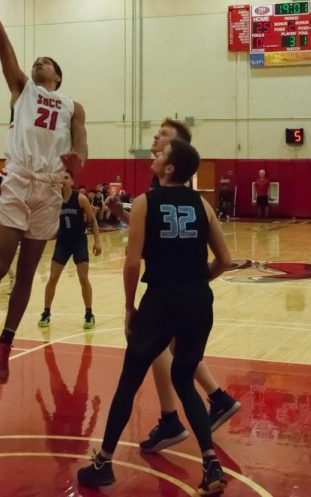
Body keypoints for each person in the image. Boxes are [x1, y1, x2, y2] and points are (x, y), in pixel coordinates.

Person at [77, 139, 231, 494]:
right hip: (198, 302)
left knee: (129, 380)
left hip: (161, 301)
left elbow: (132, 261)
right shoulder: (203, 204)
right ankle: (210, 464)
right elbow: (225, 260)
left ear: (170, 168)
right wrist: (195, 279)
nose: (154, 157)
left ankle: (103, 462)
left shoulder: (147, 202)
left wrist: (129, 306)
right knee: (184, 377)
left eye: (160, 155)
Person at [0, 0, 88, 385]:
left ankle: (6, 344)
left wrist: (75, 160)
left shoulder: (73, 106)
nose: (38, 63)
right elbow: (2, 41)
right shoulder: (22, 88)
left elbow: (82, 148)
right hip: (17, 179)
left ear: (59, 77)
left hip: (49, 191)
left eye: (46, 62)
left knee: (28, 274)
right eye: (36, 61)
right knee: (0, 261)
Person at [107, 119, 240, 453]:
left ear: (175, 155)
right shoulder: (174, 193)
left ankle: (193, 408)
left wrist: (129, 304)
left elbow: (143, 240)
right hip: (193, 294)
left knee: (162, 352)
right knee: (177, 354)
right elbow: (152, 227)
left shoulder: (165, 189)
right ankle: (203, 424)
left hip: (166, 293)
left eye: (164, 136)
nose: (156, 137)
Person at [37, 170, 102, 330]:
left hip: (78, 240)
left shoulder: (80, 198)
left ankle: (89, 313)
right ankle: (46, 312)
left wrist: (98, 241)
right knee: (53, 277)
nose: (63, 181)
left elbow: (93, 220)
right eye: (60, 178)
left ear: (72, 181)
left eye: (66, 178)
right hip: (63, 242)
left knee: (83, 277)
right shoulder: (54, 200)